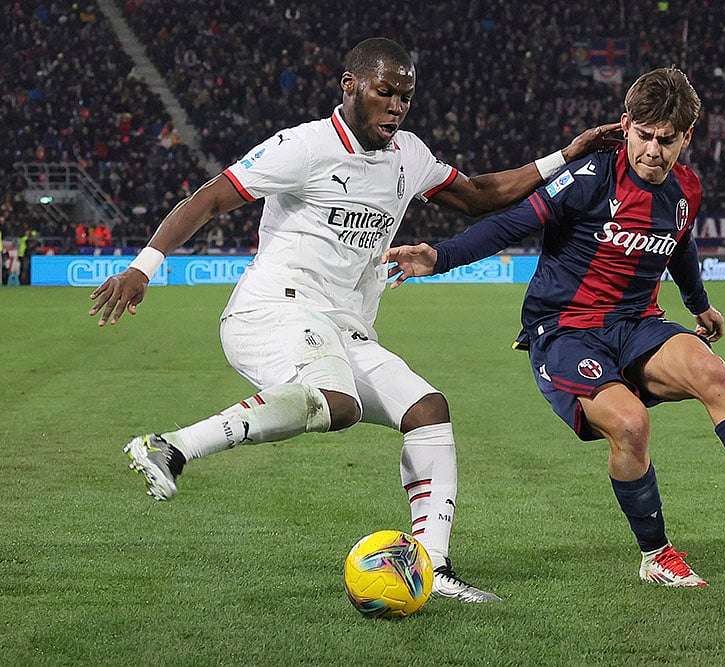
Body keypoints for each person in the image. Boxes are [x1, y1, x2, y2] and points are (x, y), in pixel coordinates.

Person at [88, 37, 620, 603]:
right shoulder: (305, 146)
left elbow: (482, 195)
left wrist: (567, 154)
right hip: (275, 307)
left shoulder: (408, 155)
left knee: (427, 411)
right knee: (335, 402)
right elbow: (211, 198)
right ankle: (169, 447)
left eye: (406, 97)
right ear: (351, 86)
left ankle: (431, 566)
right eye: (385, 92)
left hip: (344, 325)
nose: (396, 106)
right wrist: (144, 267)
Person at [383, 67, 725, 587]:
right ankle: (655, 553)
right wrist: (441, 256)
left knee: (713, 373)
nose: (654, 151)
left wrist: (700, 306)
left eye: (668, 140)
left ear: (687, 138)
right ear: (625, 125)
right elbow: (512, 222)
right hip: (565, 331)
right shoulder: (590, 179)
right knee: (630, 425)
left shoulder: (685, 190)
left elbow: (679, 242)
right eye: (645, 136)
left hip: (637, 324)